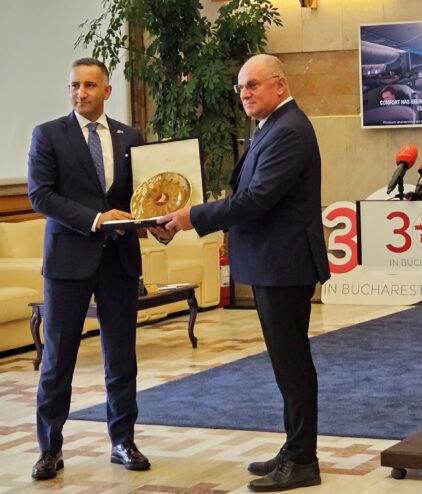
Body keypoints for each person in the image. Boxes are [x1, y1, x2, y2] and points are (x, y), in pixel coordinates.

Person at [158, 54, 330, 493]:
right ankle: (294, 448)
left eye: (253, 85)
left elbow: (256, 199)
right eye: (240, 88)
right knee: (286, 363)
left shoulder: (288, 130)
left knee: (292, 364)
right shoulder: (272, 126)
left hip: (284, 264)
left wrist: (194, 216)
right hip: (275, 263)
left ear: (280, 84)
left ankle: (303, 460)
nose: (244, 94)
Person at [27, 57, 150, 480]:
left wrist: (156, 220)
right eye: (74, 86)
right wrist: (96, 219)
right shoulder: (48, 135)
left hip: (119, 261)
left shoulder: (130, 136)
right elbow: (41, 195)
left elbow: (140, 197)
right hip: (68, 262)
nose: (80, 92)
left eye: (90, 85)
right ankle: (50, 449)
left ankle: (123, 441)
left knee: (121, 357)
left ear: (107, 91)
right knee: (58, 358)